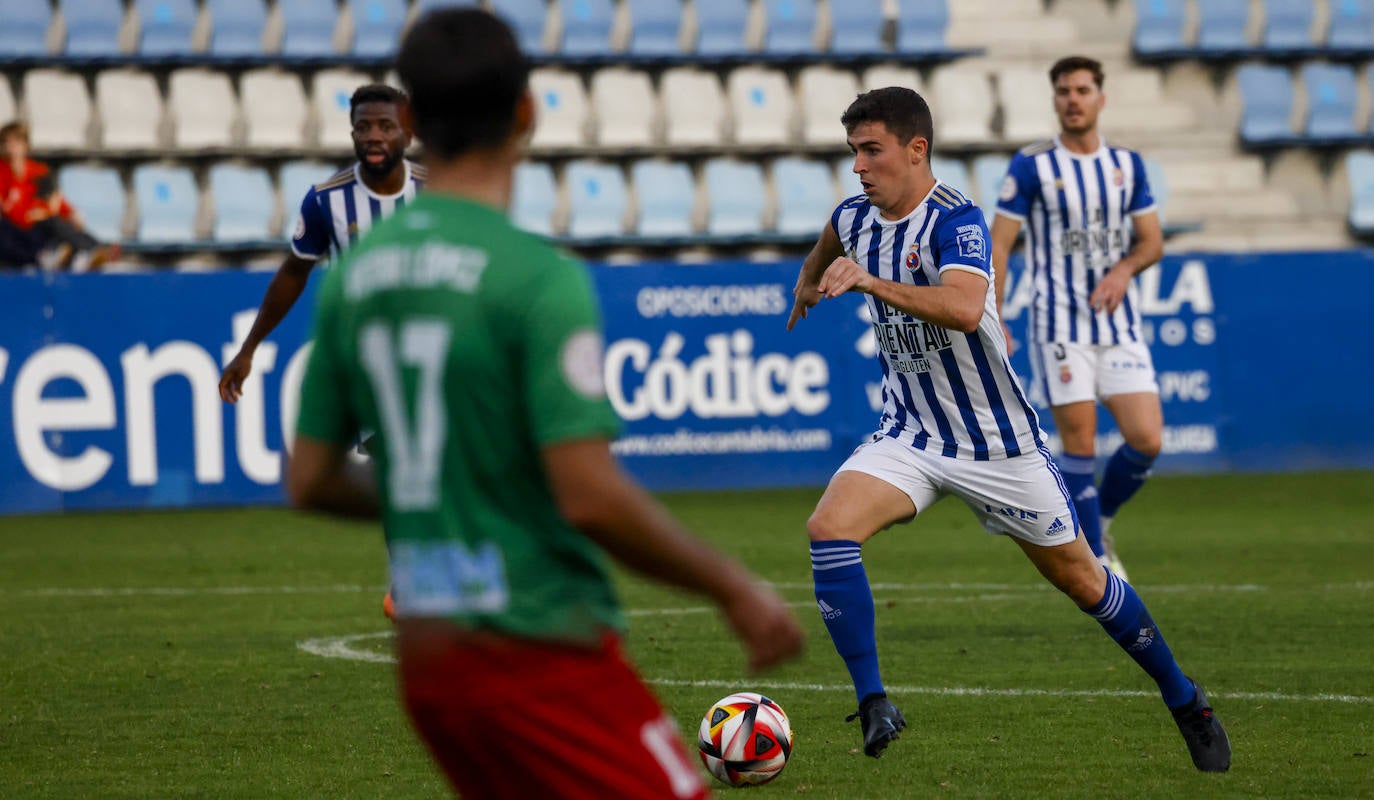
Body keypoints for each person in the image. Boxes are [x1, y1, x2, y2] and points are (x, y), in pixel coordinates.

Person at [285, 8, 805, 799]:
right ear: (528, 113)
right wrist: (734, 587)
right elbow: (589, 496)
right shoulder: (536, 277)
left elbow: (311, 479)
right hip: (535, 645)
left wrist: (442, 503)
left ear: (414, 120)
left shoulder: (358, 274)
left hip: (429, 667)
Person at [786, 86, 1228, 772]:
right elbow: (829, 243)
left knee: (1086, 583)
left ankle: (1184, 698)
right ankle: (874, 700)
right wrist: (806, 285)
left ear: (915, 149)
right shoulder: (854, 217)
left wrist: (870, 284)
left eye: (871, 151)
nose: (859, 168)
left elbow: (964, 309)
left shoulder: (956, 221)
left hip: (999, 445)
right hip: (911, 435)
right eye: (852, 153)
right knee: (828, 529)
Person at [219, 83, 421, 619]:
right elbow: (293, 272)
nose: (374, 137)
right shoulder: (326, 200)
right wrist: (249, 348)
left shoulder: (439, 191)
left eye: (385, 126)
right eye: (363, 127)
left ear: (409, 130)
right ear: (351, 130)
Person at [989, 56, 1166, 581]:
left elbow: (1152, 241)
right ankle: (1098, 564)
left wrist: (1124, 270)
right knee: (1081, 446)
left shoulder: (1127, 165)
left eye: (1083, 90)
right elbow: (1000, 243)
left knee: (1147, 439)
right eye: (1064, 91)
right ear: (1055, 101)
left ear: (1100, 99)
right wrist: (995, 315)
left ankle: (1101, 522)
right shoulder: (1031, 165)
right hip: (1058, 323)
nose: (1073, 99)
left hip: (1118, 324)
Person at [0, 121, 118, 271]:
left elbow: (54, 200)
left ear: (26, 145)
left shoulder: (38, 171)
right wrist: (33, 213)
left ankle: (94, 251)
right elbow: (9, 210)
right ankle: (79, 254)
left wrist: (70, 213)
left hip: (39, 225)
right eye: (6, 143)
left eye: (16, 142)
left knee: (59, 222)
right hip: (17, 229)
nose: (11, 148)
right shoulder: (2, 173)